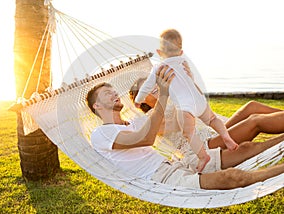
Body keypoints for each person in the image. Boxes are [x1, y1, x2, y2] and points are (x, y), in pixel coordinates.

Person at [87, 65, 284, 190]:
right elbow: (145, 139)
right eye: (107, 93)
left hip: (177, 165)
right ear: (97, 106)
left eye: (114, 91)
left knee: (248, 137)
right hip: (161, 177)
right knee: (234, 176)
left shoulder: (136, 123)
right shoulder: (101, 133)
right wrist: (163, 95)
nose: (114, 94)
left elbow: (186, 118)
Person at [134, 29, 238, 172]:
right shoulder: (183, 61)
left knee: (188, 132)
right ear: (181, 51)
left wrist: (138, 99)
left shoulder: (159, 68)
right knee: (213, 119)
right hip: (199, 99)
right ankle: (226, 136)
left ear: (159, 52)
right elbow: (189, 80)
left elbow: (147, 86)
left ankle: (203, 156)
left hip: (185, 105)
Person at [129, 77, 284, 154]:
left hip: (212, 134)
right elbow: (177, 125)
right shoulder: (151, 117)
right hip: (203, 147)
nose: (153, 88)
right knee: (254, 121)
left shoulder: (170, 99)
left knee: (251, 106)